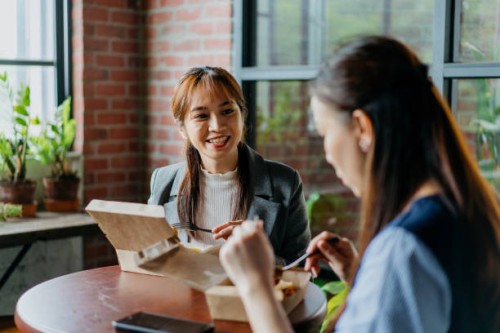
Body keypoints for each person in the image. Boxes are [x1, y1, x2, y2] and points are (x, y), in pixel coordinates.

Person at [220, 36, 500, 333]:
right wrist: (362, 275)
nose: (327, 153)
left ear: (363, 128)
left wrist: (256, 285)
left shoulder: (403, 250)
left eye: (326, 132)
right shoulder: (472, 208)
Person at [148, 66, 310, 264]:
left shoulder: (284, 182)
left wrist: (257, 254)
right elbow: (153, 262)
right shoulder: (163, 181)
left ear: (242, 115)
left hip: (251, 295)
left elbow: (302, 269)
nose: (217, 126)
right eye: (201, 116)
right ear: (182, 129)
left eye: (227, 111)